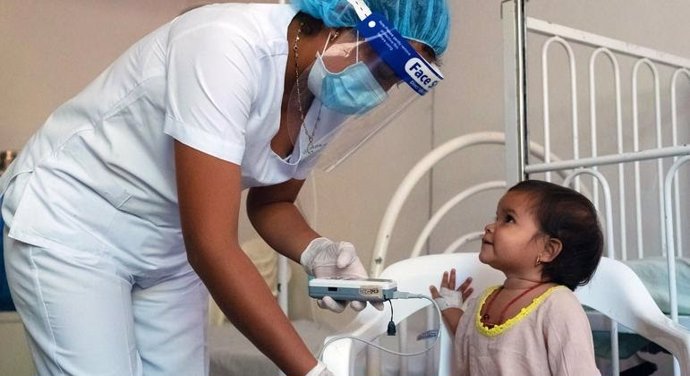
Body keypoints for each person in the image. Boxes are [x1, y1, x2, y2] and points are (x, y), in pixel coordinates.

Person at [0, 0, 450, 375]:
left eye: (395, 81)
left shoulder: (325, 90)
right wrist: (311, 371)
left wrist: (316, 252)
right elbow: (213, 247)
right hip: (75, 220)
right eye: (386, 67)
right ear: (347, 18)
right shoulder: (226, 44)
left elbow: (272, 202)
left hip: (169, 239)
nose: (381, 89)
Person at [430, 180, 603, 375]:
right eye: (496, 217)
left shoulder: (558, 306)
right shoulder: (485, 300)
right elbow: (467, 336)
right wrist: (450, 305)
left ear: (548, 249)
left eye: (508, 219)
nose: (489, 226)